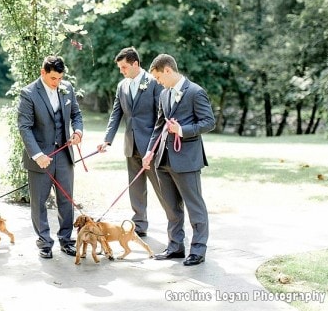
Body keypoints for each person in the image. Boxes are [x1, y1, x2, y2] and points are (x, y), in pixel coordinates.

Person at [142, 53, 215, 266]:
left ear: (168, 70)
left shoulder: (195, 92)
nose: (157, 82)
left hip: (187, 160)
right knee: (171, 207)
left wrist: (182, 130)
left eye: (158, 77)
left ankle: (198, 250)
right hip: (163, 159)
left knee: (194, 206)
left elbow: (208, 122)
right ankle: (175, 247)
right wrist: (149, 152)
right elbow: (158, 126)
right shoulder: (164, 95)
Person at [17, 55, 83, 259]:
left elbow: (76, 115)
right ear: (42, 72)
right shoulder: (28, 93)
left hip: (64, 154)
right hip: (41, 157)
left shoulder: (67, 88)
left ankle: (66, 240)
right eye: (53, 78)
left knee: (66, 199)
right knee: (39, 201)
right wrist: (37, 155)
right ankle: (44, 242)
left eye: (60, 79)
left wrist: (78, 132)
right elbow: (24, 127)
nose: (57, 83)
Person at [97, 47, 165, 237]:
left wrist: (154, 146)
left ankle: (175, 225)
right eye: (120, 68)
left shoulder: (153, 82)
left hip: (152, 147)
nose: (122, 71)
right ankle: (140, 224)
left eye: (124, 67)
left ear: (135, 64)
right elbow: (116, 113)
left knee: (162, 188)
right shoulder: (122, 86)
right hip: (130, 144)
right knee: (136, 188)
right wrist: (107, 140)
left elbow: (161, 116)